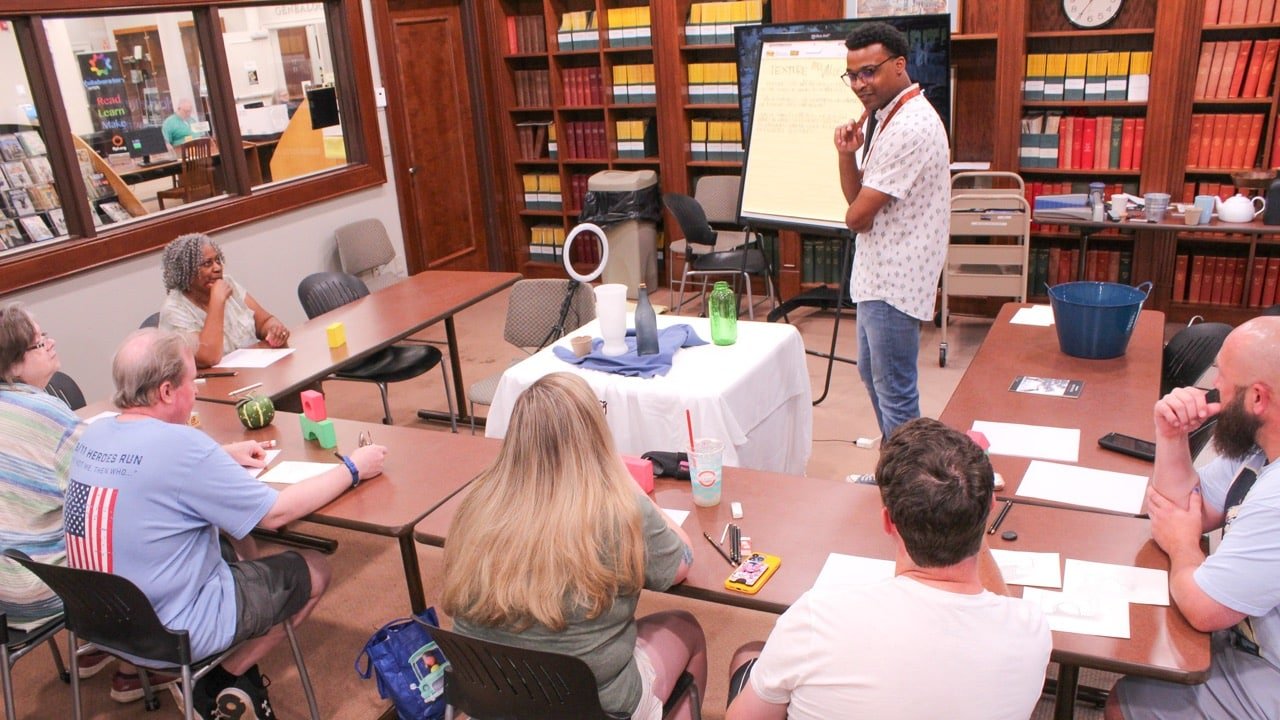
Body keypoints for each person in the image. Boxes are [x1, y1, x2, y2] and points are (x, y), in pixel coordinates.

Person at [65, 328, 387, 717]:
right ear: (167, 391)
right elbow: (276, 512)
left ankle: (148, 674)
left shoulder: (93, 434)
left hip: (99, 619)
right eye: (190, 381)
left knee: (227, 539)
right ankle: (219, 679)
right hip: (169, 633)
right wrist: (353, 468)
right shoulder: (182, 446)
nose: (196, 390)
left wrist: (218, 456)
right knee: (314, 569)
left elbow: (148, 471)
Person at [725, 418, 1051, 720]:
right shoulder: (1032, 631)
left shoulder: (816, 617)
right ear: (990, 509)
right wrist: (968, 516)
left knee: (749, 658)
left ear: (887, 521)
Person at [442, 372, 707, 720]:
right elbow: (680, 564)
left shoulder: (478, 501)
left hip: (493, 695)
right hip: (594, 706)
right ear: (594, 432)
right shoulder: (619, 508)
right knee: (685, 627)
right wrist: (632, 488)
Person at [0, 304, 180, 703]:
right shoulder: (41, 411)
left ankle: (97, 644)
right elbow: (110, 479)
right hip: (40, 586)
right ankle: (137, 664)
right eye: (38, 342)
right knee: (129, 524)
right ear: (13, 365)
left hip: (3, 592)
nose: (51, 344)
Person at [1107, 316, 1280, 720]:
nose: (1214, 385)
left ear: (1258, 398)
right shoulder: (1260, 448)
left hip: (1268, 666)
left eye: (1222, 374)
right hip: (1249, 636)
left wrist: (1184, 547)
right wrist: (1170, 435)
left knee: (1127, 704)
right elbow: (1177, 508)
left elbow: (1205, 609)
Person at [834, 22, 950, 474]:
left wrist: (856, 206)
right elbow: (858, 199)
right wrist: (847, 154)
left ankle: (910, 490)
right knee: (874, 376)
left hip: (895, 282)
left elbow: (856, 216)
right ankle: (894, 473)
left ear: (899, 66)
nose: (861, 85)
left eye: (870, 72)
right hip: (878, 275)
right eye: (853, 75)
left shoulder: (912, 125)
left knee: (896, 390)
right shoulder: (889, 116)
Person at [159, 233, 290, 367]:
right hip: (215, 385)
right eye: (207, 263)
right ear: (186, 272)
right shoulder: (174, 310)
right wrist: (217, 301)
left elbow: (264, 322)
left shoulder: (228, 283)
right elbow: (209, 357)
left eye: (218, 260)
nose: (217, 268)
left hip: (252, 372)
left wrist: (275, 330)